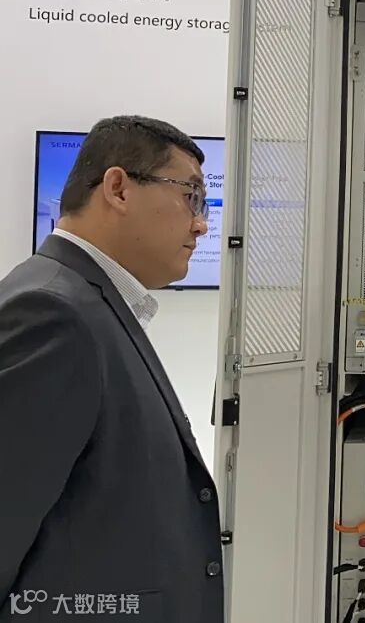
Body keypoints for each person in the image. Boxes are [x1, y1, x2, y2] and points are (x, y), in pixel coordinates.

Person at [0, 116, 225, 622]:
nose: (202, 224)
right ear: (119, 188)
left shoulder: (87, 304)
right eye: (191, 196)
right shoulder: (52, 314)